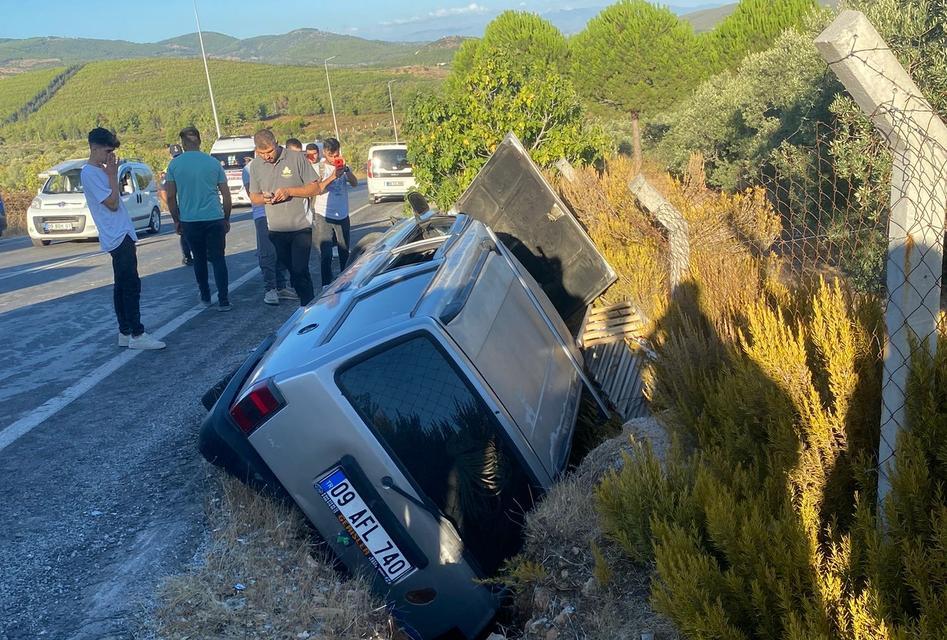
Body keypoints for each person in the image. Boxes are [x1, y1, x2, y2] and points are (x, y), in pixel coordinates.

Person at [79, 128, 165, 350]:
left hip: (122, 231)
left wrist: (111, 174)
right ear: (94, 148)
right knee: (130, 285)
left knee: (121, 285)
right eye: (107, 151)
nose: (110, 156)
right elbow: (113, 203)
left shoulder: (101, 170)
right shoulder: (89, 173)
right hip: (115, 234)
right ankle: (137, 333)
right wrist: (111, 175)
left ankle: (125, 332)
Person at [247, 129, 338, 306]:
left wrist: (290, 192)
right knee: (295, 274)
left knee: (300, 270)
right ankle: (307, 303)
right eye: (262, 153)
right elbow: (254, 197)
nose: (267, 156)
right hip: (275, 230)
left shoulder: (296, 159)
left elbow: (315, 188)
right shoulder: (256, 166)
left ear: (277, 142)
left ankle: (308, 308)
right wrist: (264, 198)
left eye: (270, 151)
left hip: (300, 227)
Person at [165, 126, 233, 311]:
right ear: (200, 141)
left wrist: (176, 220)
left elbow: (170, 196)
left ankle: (205, 296)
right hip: (214, 217)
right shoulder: (213, 163)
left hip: (190, 220)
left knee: (199, 258)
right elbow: (226, 195)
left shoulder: (175, 165)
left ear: (183, 144)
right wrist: (226, 218)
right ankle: (224, 300)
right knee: (218, 259)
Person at [242, 154, 294, 305]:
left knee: (281, 250)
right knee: (267, 253)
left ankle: (281, 285)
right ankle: (270, 289)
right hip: (262, 214)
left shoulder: (278, 165)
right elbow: (252, 195)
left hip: (281, 212)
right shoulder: (248, 169)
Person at [311, 137, 358, 287]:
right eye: (331, 155)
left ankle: (344, 282)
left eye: (336, 154)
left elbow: (355, 183)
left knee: (344, 251)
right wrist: (333, 176)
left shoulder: (343, 166)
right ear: (324, 153)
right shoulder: (318, 168)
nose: (334, 158)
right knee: (326, 253)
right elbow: (317, 190)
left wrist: (346, 170)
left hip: (342, 214)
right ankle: (326, 284)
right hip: (323, 214)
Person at [160, 144, 193, 265]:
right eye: (175, 156)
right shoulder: (171, 169)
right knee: (185, 232)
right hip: (183, 204)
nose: (176, 158)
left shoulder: (173, 168)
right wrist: (171, 204)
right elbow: (163, 191)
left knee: (187, 231)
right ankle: (188, 256)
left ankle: (191, 255)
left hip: (186, 203)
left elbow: (164, 192)